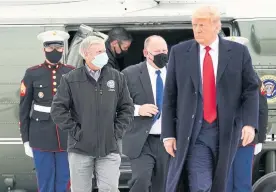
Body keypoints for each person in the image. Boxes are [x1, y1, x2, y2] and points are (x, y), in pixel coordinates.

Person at [161, 6, 259, 192]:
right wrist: (168, 134)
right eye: (194, 25)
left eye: (202, 25)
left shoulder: (238, 53)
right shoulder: (180, 53)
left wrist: (249, 123)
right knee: (200, 184)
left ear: (216, 26)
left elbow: (250, 90)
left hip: (227, 130)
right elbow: (170, 96)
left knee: (219, 183)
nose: (197, 29)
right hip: (195, 131)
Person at [50, 35, 134, 192]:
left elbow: (127, 108)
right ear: (85, 54)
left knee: (109, 189)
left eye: (104, 50)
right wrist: (77, 132)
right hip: (80, 149)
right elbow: (58, 110)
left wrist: (116, 132)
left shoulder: (116, 77)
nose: (104, 55)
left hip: (109, 148)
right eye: (98, 51)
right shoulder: (70, 79)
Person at [19, 30, 74, 192]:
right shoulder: (32, 73)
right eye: (50, 48)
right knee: (45, 180)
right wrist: (26, 140)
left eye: (58, 47)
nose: (55, 51)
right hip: (40, 135)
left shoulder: (71, 72)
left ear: (63, 49)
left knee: (65, 180)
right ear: (44, 49)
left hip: (66, 135)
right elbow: (24, 108)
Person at [122, 35, 170, 192]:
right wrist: (138, 109)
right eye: (157, 51)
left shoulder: (176, 73)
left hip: (168, 140)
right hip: (142, 140)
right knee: (141, 180)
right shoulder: (130, 74)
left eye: (164, 50)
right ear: (146, 53)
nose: (161, 54)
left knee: (163, 185)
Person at [225, 37, 268, 192]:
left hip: (245, 139)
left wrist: (260, 137)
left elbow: (261, 108)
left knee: (241, 183)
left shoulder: (251, 75)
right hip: (222, 138)